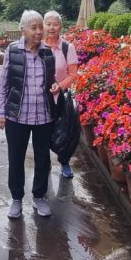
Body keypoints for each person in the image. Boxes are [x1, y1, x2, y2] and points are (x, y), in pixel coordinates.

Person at [0, 10, 61, 219]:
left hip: (43, 115)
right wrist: (1, 111)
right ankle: (16, 198)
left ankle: (39, 197)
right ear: (22, 29)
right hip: (17, 115)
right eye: (34, 28)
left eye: (40, 27)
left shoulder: (47, 53)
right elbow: (4, 83)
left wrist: (55, 87)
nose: (39, 32)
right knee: (16, 157)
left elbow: (52, 81)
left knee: (43, 158)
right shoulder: (13, 51)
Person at [43, 11, 79, 178]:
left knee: (64, 131)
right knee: (42, 132)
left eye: (55, 24)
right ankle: (45, 162)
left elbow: (73, 74)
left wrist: (60, 86)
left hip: (60, 98)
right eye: (48, 24)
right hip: (40, 99)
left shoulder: (67, 48)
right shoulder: (37, 47)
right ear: (43, 25)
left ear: (60, 27)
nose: (51, 27)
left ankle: (64, 162)